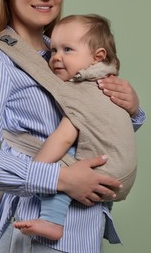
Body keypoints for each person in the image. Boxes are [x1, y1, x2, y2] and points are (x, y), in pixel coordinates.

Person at [0, 0, 146, 252]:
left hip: (85, 231)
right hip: (36, 232)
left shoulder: (69, 48)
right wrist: (61, 178)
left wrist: (132, 110)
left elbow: (92, 131)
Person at [12, 13, 138, 241]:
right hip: (120, 169)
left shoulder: (81, 93)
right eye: (53, 51)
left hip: (108, 171)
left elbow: (63, 137)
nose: (57, 57)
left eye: (67, 50)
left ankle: (52, 221)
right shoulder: (106, 83)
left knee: (63, 161)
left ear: (97, 57)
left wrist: (37, 169)